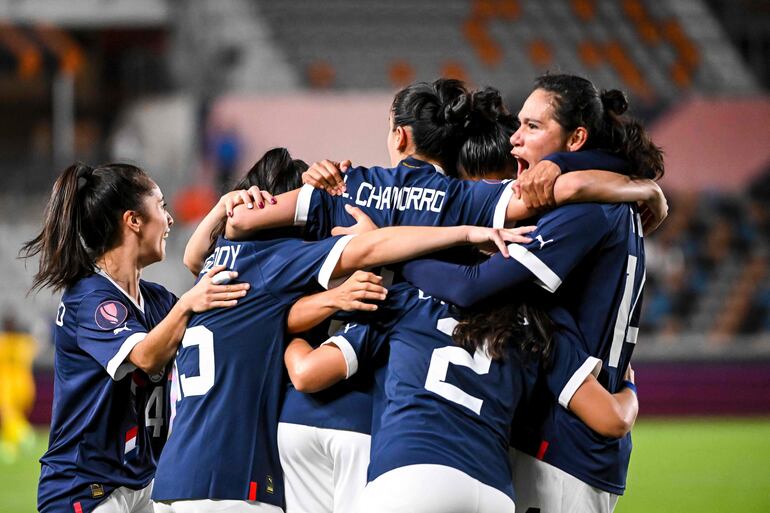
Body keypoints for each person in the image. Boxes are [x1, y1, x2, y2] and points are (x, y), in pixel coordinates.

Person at [152, 148, 533, 512]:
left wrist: (225, 204)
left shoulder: (217, 266)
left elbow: (198, 261)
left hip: (183, 466)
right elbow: (369, 252)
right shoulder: (283, 260)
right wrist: (463, 232)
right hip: (246, 467)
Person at [400, 73, 665, 512]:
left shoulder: (586, 212)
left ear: (577, 137)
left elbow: (472, 287)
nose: (515, 140)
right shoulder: (609, 199)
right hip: (576, 445)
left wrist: (394, 250)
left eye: (533, 127)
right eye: (519, 125)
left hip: (563, 449)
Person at [282, 283, 638, 513]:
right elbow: (612, 420)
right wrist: (630, 390)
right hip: (496, 493)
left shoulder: (408, 301)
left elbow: (307, 373)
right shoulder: (537, 324)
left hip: (412, 475)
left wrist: (288, 336)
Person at [196, 79, 665, 252]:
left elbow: (240, 223)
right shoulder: (468, 200)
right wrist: (645, 189)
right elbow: (576, 188)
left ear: (400, 135)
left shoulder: (343, 185)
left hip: (334, 373)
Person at [21, 163, 249, 513]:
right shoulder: (90, 299)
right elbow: (144, 356)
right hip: (85, 486)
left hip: (140, 480)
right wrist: (189, 304)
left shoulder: (157, 300)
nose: (170, 219)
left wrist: (222, 209)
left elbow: (210, 322)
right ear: (133, 220)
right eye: (161, 205)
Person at [0, 313, 38, 463]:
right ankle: (10, 447)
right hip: (24, 384)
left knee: (8, 414)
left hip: (8, 386)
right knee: (12, 415)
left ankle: (25, 435)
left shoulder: (3, 343)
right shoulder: (26, 342)